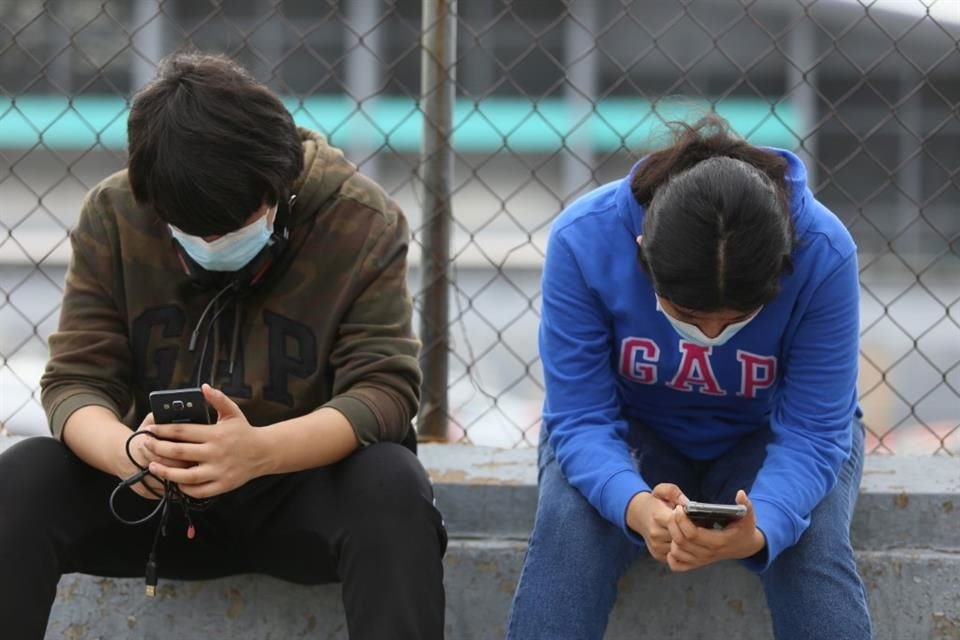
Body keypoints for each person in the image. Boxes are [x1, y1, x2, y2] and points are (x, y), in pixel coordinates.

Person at [0, 52, 446, 639]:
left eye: (232, 226)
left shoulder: (360, 221)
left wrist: (258, 452)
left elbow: (385, 391)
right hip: (152, 493)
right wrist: (127, 453)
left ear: (281, 186)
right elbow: (74, 381)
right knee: (25, 476)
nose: (211, 243)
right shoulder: (115, 212)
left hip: (294, 487)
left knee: (392, 484)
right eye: (190, 232)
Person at [506, 115, 872, 639]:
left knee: (810, 545)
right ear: (642, 254)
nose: (710, 333)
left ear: (780, 270)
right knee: (570, 530)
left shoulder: (823, 252)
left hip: (767, 435)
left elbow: (815, 433)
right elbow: (580, 417)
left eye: (736, 317)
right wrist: (633, 505)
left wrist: (763, 526)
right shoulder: (585, 239)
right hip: (635, 432)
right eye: (689, 314)